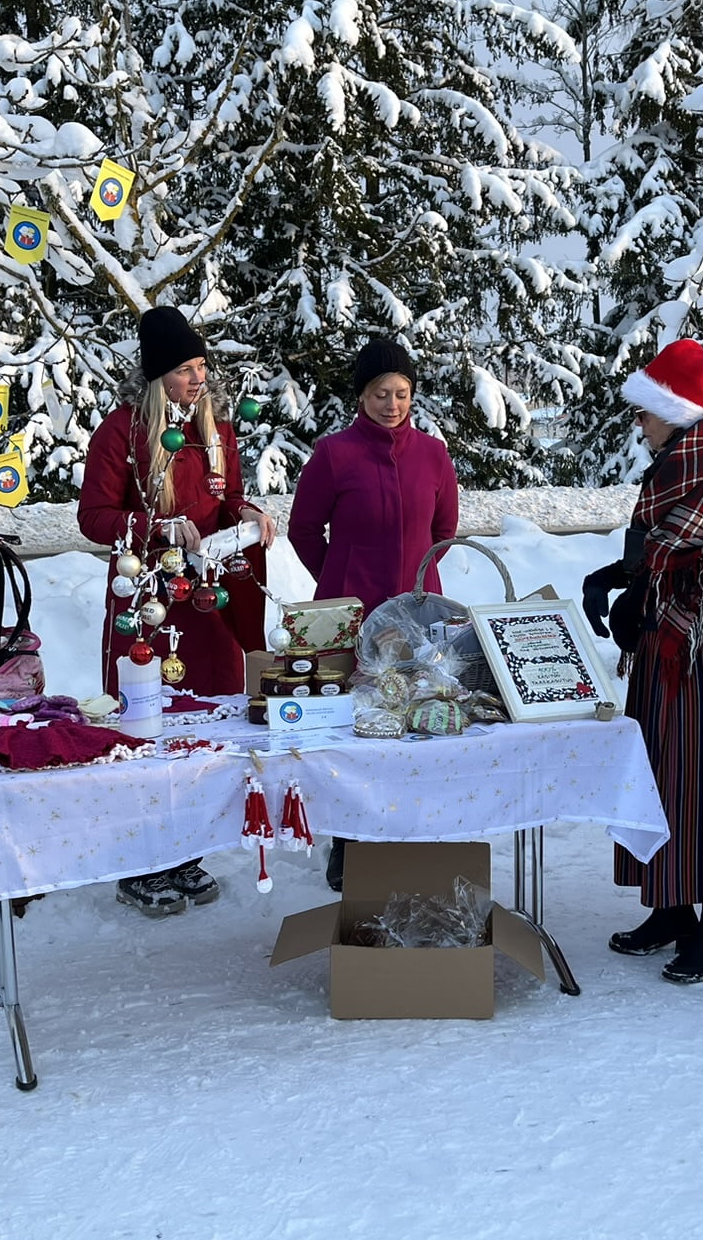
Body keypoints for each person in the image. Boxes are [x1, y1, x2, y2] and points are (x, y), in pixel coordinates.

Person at [582, 339, 703, 985]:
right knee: (660, 772)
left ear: (674, 409)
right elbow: (658, 548)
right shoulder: (682, 457)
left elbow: (699, 555)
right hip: (667, 647)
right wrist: (618, 579)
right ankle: (670, 906)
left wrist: (636, 587)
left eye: (644, 412)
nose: (639, 425)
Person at [78, 305, 274, 916]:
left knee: (206, 722)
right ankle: (142, 861)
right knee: (147, 724)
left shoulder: (216, 429)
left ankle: (187, 849)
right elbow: (93, 518)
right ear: (158, 375)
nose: (198, 378)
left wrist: (248, 513)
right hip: (147, 602)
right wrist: (155, 526)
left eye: (201, 366)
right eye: (186, 369)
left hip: (207, 600)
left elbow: (227, 497)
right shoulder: (120, 432)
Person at [289, 337, 459, 888]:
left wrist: (416, 587)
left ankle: (412, 829)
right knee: (355, 726)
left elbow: (443, 530)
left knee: (416, 715)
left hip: (418, 614)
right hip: (351, 614)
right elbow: (303, 529)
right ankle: (348, 840)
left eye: (402, 393)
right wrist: (337, 578)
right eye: (381, 393)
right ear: (362, 396)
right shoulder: (334, 454)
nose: (393, 404)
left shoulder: (433, 454)